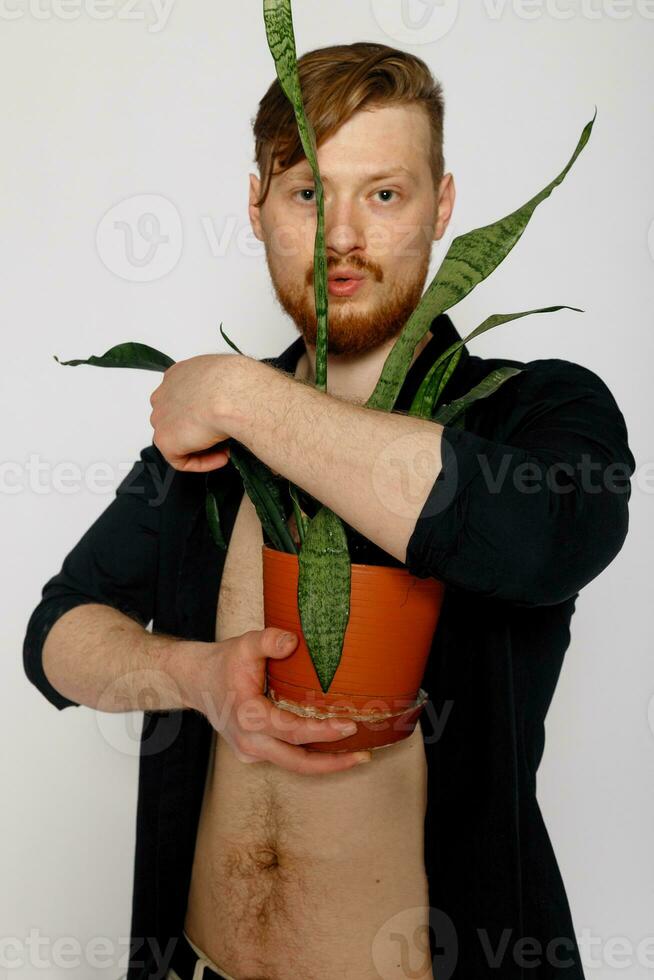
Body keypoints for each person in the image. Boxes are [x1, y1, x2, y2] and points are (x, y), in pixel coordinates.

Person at [23, 43, 634, 980]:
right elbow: (57, 634)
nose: (341, 236)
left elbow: (545, 540)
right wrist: (195, 677)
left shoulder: (537, 412)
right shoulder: (206, 446)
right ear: (258, 208)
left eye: (384, 194)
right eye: (309, 193)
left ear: (444, 206)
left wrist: (241, 396)